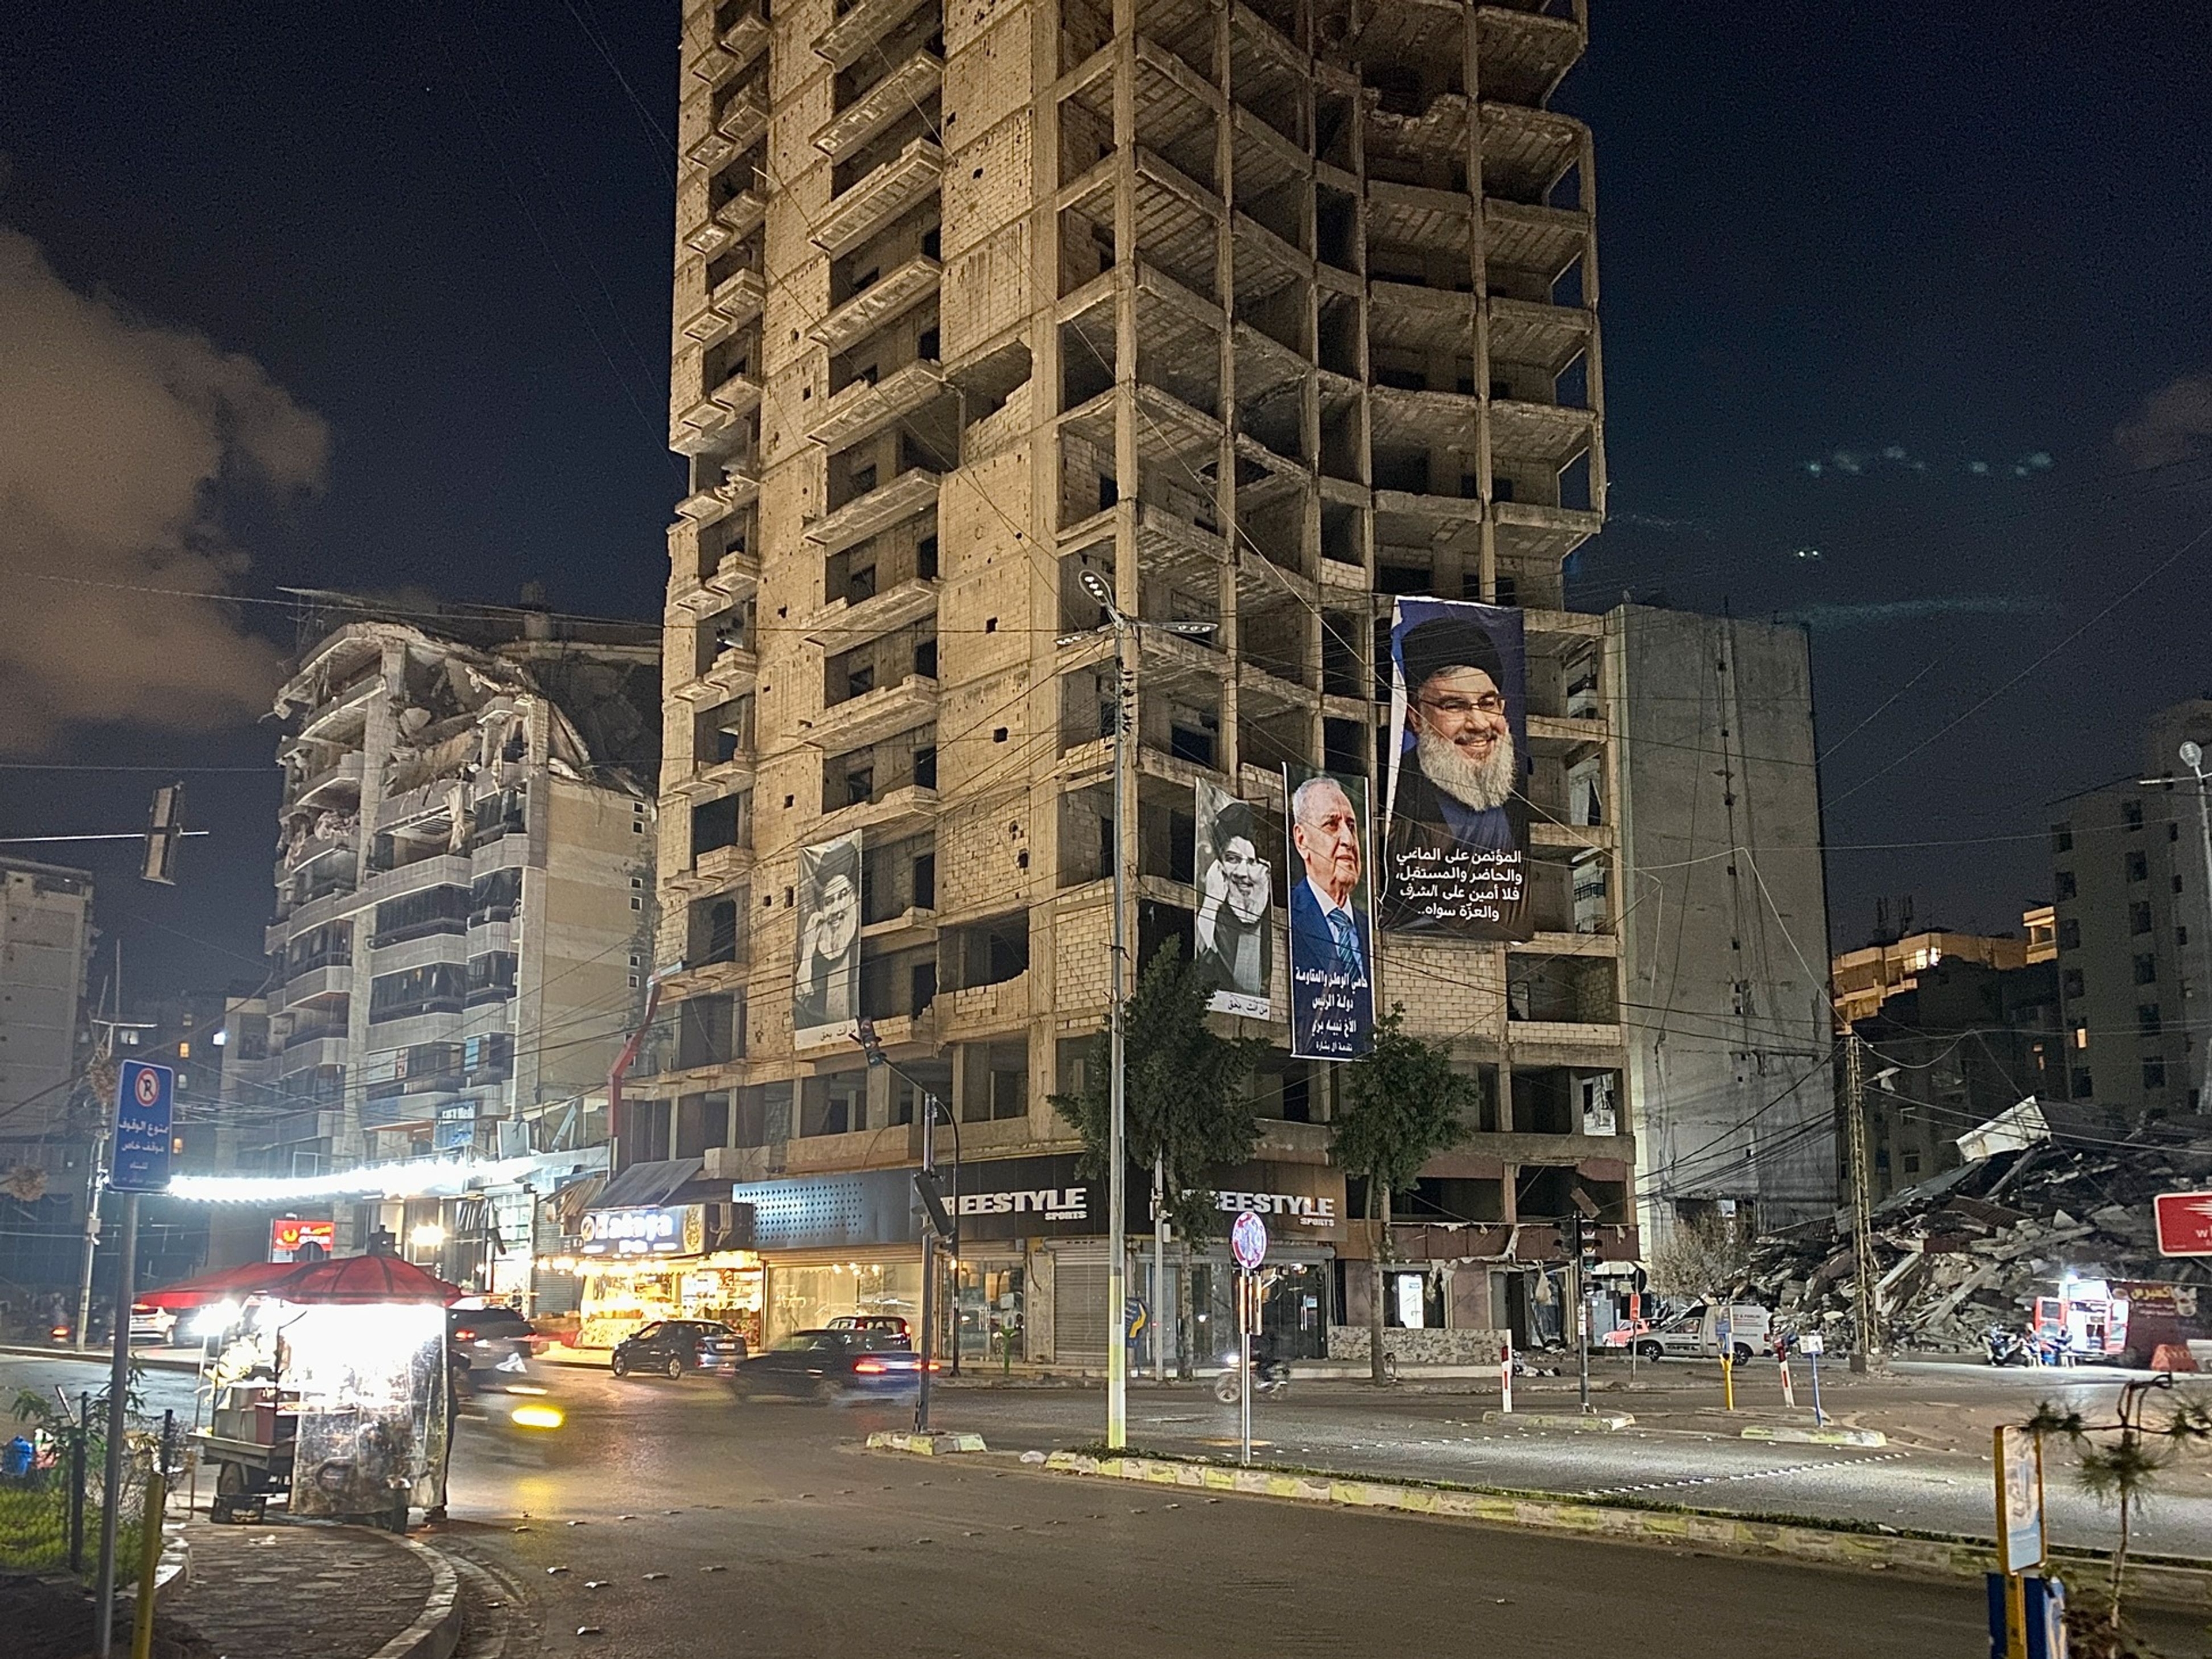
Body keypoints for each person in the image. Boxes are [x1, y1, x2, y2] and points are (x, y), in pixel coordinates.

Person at [1382, 612, 1527, 932]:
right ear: (1416, 718)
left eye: (1488, 704)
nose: (1478, 724)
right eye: (1454, 706)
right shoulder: (1394, 796)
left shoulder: (1516, 800)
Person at [1286, 774, 1373, 1055]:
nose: (1348, 839)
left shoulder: (1367, 927)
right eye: (1332, 825)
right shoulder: (1287, 913)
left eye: (1351, 825)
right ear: (1302, 840)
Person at [1194, 797, 1271, 1009]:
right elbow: (1204, 959)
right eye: (1233, 859)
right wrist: (1211, 904)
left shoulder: (1263, 922)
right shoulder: (1215, 921)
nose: (1243, 873)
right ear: (1220, 869)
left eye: (1251, 862)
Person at [794, 838, 860, 1032]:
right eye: (829, 902)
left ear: (856, 896)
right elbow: (801, 1005)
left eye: (843, 896)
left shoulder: (856, 946)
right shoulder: (815, 953)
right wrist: (806, 957)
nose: (837, 909)